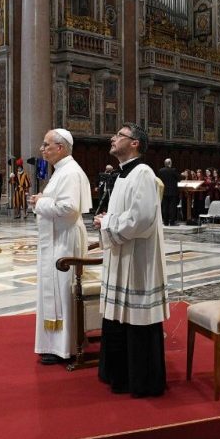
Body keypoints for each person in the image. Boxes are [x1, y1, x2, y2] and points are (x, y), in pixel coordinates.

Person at [93, 123, 169, 398]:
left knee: (137, 317)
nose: (112, 138)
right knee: (119, 317)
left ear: (135, 143)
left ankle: (142, 380)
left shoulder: (144, 174)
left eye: (119, 136)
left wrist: (107, 223)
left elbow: (141, 220)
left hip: (138, 260)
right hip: (122, 255)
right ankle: (118, 373)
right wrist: (106, 221)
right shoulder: (124, 175)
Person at [29, 129, 92, 365]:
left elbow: (69, 208)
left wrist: (40, 202)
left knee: (62, 292)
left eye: (46, 144)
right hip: (58, 237)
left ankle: (65, 347)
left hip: (65, 240)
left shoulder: (70, 172)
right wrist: (43, 201)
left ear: (61, 147)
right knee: (55, 290)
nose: (42, 149)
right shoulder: (62, 171)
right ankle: (55, 344)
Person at [157, 158, 180, 226]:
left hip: (164, 192)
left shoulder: (160, 171)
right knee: (172, 208)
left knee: (165, 207)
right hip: (172, 192)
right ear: (170, 163)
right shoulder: (173, 170)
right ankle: (172, 222)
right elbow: (179, 178)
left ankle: (166, 222)